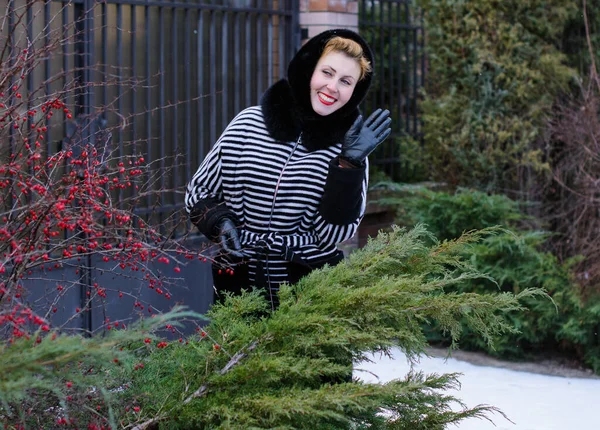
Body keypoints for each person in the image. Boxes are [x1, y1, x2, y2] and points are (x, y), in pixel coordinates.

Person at [185, 29, 391, 309]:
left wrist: (348, 166)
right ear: (308, 69)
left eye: (346, 81)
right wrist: (221, 223)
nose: (332, 88)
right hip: (237, 281)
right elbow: (199, 191)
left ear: (355, 91)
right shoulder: (248, 123)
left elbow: (332, 236)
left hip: (308, 289)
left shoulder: (350, 149)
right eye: (327, 72)